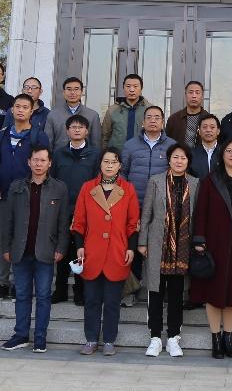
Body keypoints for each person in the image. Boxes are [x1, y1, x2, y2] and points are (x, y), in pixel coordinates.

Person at [0, 144, 70, 353]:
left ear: (49, 163)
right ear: (29, 162)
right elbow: (8, 220)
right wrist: (6, 247)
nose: (38, 164)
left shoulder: (59, 188)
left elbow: (63, 222)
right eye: (35, 160)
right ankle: (20, 335)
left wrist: (61, 248)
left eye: (43, 160)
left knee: (44, 296)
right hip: (20, 250)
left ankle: (40, 337)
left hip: (46, 250)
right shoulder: (16, 187)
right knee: (21, 294)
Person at [189, 137, 232, 359]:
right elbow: (201, 211)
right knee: (214, 292)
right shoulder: (210, 180)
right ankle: (216, 340)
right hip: (214, 243)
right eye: (229, 150)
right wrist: (199, 240)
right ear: (222, 154)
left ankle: (228, 339)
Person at [71, 147, 140, 356]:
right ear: (100, 164)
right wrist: (79, 245)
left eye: (114, 162)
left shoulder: (128, 189)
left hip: (117, 251)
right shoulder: (87, 188)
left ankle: (109, 340)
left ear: (120, 166)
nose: (109, 165)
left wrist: (131, 247)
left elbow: (133, 223)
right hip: (91, 252)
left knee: (112, 301)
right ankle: (91, 339)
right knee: (91, 300)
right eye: (106, 161)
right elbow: (78, 221)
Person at [138, 142, 200, 358]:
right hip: (158, 244)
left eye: (183, 158)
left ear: (188, 161)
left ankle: (173, 337)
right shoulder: (156, 181)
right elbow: (146, 214)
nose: (179, 161)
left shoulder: (195, 183)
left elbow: (197, 216)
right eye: (175, 157)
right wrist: (142, 242)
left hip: (182, 246)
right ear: (169, 159)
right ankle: (155, 337)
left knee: (176, 293)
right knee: (155, 292)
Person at [0, 94, 50, 301]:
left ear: (32, 111)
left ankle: (20, 283)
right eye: (17, 106)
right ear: (12, 109)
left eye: (25, 107)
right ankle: (2, 282)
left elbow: (43, 165)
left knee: (24, 237)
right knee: (3, 238)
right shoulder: (2, 135)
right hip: (4, 194)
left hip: (29, 195)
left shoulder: (38, 136)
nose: (20, 110)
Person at [121, 105, 176, 307]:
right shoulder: (130, 145)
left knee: (161, 248)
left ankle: (161, 291)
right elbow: (122, 172)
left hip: (162, 207)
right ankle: (130, 291)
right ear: (143, 122)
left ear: (163, 122)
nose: (153, 120)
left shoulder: (171, 145)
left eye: (157, 117)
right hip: (134, 204)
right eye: (149, 117)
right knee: (134, 248)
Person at [51, 113, 100, 306]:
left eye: (81, 127)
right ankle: (60, 289)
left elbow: (97, 182)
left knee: (82, 251)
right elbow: (52, 180)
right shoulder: (58, 154)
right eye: (73, 127)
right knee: (62, 249)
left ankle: (80, 291)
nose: (77, 130)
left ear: (87, 131)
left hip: (86, 210)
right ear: (67, 131)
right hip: (62, 209)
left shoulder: (95, 154)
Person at [102, 73, 160, 151]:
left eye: (135, 86)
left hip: (142, 154)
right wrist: (105, 153)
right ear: (123, 88)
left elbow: (158, 134)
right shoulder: (112, 110)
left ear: (141, 88)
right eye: (128, 86)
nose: (132, 90)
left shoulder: (150, 110)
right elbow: (105, 136)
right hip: (117, 155)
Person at [44, 77, 103, 152]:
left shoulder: (93, 115)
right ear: (64, 92)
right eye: (69, 89)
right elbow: (48, 142)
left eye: (76, 89)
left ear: (81, 92)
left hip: (85, 157)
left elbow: (96, 143)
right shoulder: (53, 115)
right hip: (59, 157)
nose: (72, 92)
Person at [165, 80, 207, 147]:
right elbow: (166, 142)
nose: (194, 96)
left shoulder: (208, 118)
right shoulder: (174, 119)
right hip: (179, 153)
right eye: (190, 92)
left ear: (202, 96)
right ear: (185, 95)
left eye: (197, 93)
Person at [189, 113, 222, 178]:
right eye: (204, 127)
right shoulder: (191, 154)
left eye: (212, 127)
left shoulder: (225, 152)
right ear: (199, 131)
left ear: (218, 131)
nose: (208, 130)